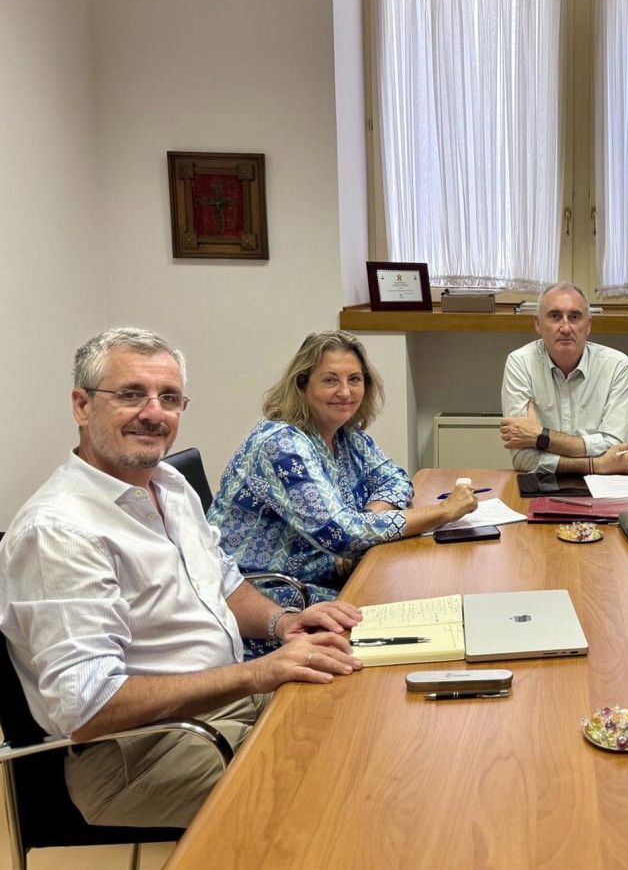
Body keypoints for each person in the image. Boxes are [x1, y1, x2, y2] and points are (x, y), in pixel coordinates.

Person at [0, 328, 364, 828]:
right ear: (82, 406)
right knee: (345, 787)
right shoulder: (59, 531)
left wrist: (283, 623)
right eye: (131, 394)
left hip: (222, 707)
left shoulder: (167, 484)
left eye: (169, 398)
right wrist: (257, 674)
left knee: (364, 714)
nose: (154, 413)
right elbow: (86, 706)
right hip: (140, 755)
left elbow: (224, 582)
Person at [209, 331, 476, 653]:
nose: (346, 392)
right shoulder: (281, 444)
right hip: (269, 600)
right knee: (413, 616)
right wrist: (443, 512)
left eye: (355, 379)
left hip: (324, 579)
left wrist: (368, 519)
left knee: (431, 602)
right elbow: (343, 534)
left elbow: (395, 480)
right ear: (302, 385)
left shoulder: (345, 435)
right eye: (330, 380)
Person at [500, 282, 628, 474]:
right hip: (541, 484)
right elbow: (522, 458)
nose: (565, 328)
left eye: (574, 317)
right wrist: (596, 464)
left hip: (604, 485)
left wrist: (541, 437)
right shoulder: (520, 363)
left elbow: (617, 451)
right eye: (555, 316)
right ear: (538, 324)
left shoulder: (617, 366)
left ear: (588, 325)